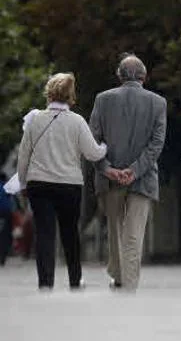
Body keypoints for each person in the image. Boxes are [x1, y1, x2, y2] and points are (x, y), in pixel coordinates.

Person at [17, 73, 107, 290]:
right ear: (70, 96)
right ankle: (75, 280)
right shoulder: (77, 121)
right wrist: (105, 147)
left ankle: (45, 282)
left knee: (45, 234)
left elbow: (24, 155)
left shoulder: (35, 120)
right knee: (70, 232)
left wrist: (22, 184)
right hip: (69, 186)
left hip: (39, 184)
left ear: (49, 93)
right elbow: (93, 153)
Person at [89, 54, 167, 291]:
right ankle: (129, 284)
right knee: (134, 234)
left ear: (119, 76)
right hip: (143, 180)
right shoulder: (158, 102)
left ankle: (120, 277)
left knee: (115, 231)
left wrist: (108, 169)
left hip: (110, 180)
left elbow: (92, 140)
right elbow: (156, 144)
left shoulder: (103, 100)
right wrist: (134, 171)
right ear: (144, 76)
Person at [0, 173, 16, 266]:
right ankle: (3, 256)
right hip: (6, 213)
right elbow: (12, 200)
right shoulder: (7, 187)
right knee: (6, 234)